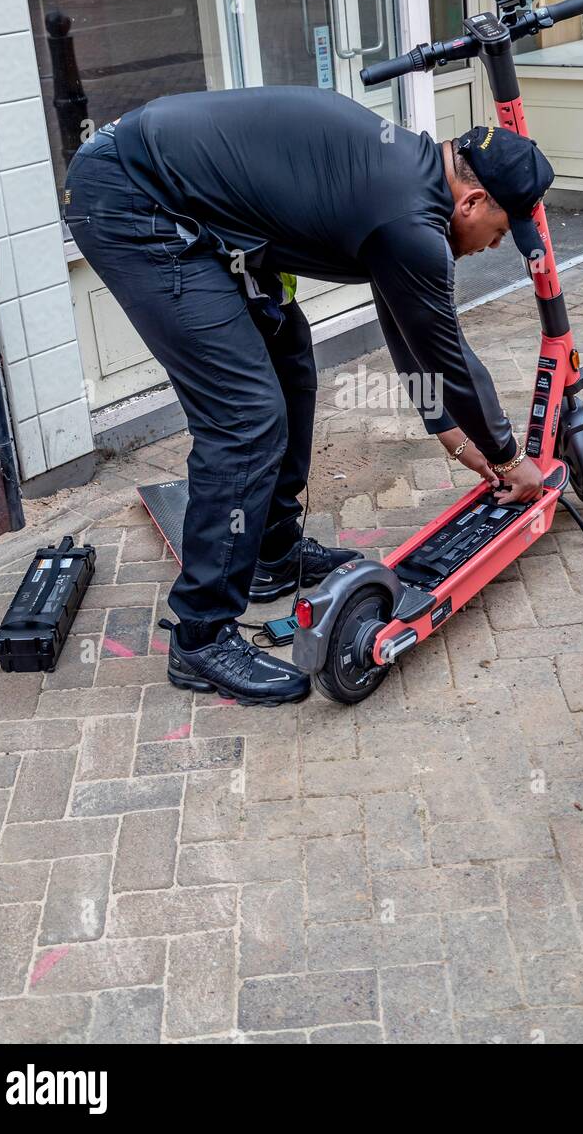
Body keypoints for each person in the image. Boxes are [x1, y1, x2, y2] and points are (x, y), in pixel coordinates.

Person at [63, 89, 550, 707]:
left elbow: (406, 322)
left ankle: (270, 550)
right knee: (244, 415)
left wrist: (451, 435)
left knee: (289, 357)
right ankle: (201, 636)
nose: (492, 244)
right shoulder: (407, 219)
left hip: (185, 201)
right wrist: (510, 459)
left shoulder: (412, 186)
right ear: (474, 200)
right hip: (135, 200)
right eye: (500, 230)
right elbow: (450, 357)